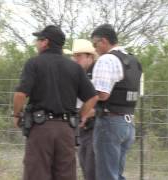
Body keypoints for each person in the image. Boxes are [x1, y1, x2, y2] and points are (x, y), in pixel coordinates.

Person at [13, 25, 98, 180]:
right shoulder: (75, 67)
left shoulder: (34, 63)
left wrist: (17, 114)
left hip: (41, 129)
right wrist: (81, 117)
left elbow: (20, 94)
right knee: (65, 174)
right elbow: (92, 97)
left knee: (37, 173)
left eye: (38, 40)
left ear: (45, 42)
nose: (36, 43)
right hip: (66, 130)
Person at [90, 24, 142, 180]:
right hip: (128, 123)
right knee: (116, 174)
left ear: (104, 41)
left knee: (107, 175)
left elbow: (102, 94)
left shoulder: (106, 59)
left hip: (109, 122)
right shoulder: (133, 61)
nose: (95, 49)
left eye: (95, 44)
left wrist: (85, 94)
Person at [71, 39, 97, 180]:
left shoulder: (97, 74)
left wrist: (84, 115)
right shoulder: (78, 75)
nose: (75, 59)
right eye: (74, 56)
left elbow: (102, 101)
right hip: (82, 128)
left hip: (95, 127)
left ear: (90, 57)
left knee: (92, 170)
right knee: (86, 168)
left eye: (79, 56)